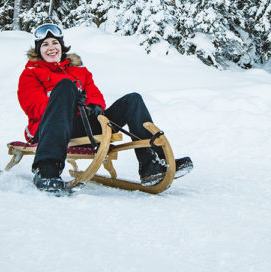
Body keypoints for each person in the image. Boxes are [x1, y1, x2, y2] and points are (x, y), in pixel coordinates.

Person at [17, 23, 192, 191]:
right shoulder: (30, 73)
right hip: (51, 128)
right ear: (38, 50)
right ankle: (46, 170)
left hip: (85, 123)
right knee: (65, 86)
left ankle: (153, 166)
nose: (51, 47)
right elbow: (34, 107)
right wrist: (67, 99)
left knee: (133, 100)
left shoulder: (80, 71)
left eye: (55, 43)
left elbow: (95, 94)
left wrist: (94, 106)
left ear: (62, 47)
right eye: (45, 44)